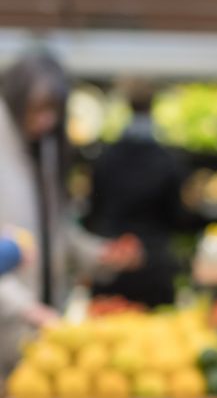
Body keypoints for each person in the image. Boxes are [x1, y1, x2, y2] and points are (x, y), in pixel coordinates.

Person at [0, 53, 142, 374]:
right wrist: (25, 308)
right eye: (38, 109)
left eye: (53, 111)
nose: (47, 121)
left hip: (42, 332)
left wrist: (98, 255)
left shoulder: (44, 149)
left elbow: (53, 230)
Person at [86, 78, 185, 307]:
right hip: (153, 265)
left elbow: (93, 211)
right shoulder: (168, 161)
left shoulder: (104, 158)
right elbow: (177, 217)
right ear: (154, 107)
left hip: (111, 263)